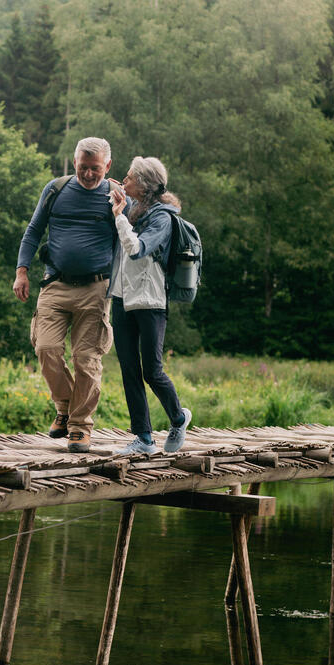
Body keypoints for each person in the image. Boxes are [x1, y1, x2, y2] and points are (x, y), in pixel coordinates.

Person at [13, 137, 125, 453]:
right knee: (46, 348)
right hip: (55, 285)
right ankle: (64, 407)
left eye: (96, 168)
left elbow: (127, 242)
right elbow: (33, 231)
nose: (89, 174)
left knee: (86, 359)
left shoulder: (115, 196)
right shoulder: (55, 190)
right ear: (74, 161)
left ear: (108, 166)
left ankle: (79, 427)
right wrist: (22, 271)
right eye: (83, 167)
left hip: (96, 289)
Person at [107, 156, 192, 454]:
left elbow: (137, 250)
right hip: (121, 298)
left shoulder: (162, 218)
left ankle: (179, 418)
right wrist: (114, 197)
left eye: (129, 178)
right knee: (129, 369)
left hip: (150, 300)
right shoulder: (132, 207)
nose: (124, 180)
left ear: (143, 186)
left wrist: (118, 215)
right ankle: (143, 438)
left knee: (152, 370)